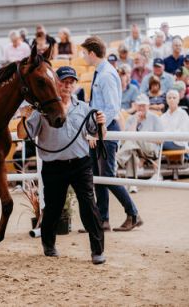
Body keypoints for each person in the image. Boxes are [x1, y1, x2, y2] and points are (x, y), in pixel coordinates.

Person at [17, 66, 106, 265]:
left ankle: (97, 250)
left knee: (89, 206)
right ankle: (49, 244)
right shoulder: (41, 110)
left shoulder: (84, 108)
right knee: (53, 209)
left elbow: (100, 134)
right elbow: (22, 135)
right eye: (63, 81)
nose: (67, 85)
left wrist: (102, 123)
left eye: (71, 82)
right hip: (53, 166)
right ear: (56, 83)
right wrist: (23, 117)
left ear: (75, 85)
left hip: (80, 165)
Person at [81, 36, 143, 232]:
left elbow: (112, 107)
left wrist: (97, 131)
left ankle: (133, 213)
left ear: (92, 53)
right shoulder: (102, 72)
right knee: (98, 176)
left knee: (107, 176)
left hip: (106, 130)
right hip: (99, 130)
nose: (83, 57)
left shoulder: (106, 74)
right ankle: (103, 219)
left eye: (84, 53)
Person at [117, 94, 164, 192]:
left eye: (144, 105)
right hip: (134, 149)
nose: (141, 108)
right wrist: (135, 121)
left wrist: (143, 138)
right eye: (139, 105)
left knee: (133, 140)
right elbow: (126, 139)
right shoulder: (131, 119)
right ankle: (132, 184)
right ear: (136, 106)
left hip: (151, 150)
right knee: (132, 148)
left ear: (148, 106)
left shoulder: (155, 118)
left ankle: (117, 160)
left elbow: (161, 140)